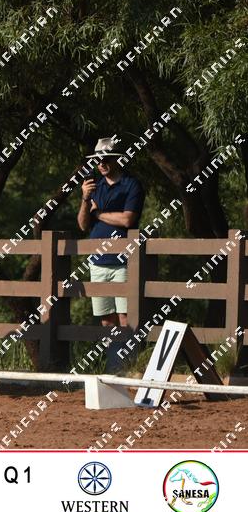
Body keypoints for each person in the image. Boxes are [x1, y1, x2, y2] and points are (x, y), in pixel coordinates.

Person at [77, 137, 145, 372]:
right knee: (106, 319)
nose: (101, 163)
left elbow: (127, 220)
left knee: (125, 317)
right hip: (98, 261)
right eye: (98, 160)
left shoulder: (131, 185)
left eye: (106, 159)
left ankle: (129, 367)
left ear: (117, 159)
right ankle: (114, 367)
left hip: (123, 260)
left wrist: (98, 214)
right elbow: (82, 225)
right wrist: (85, 199)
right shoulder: (95, 187)